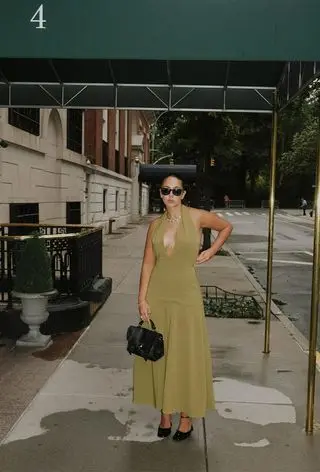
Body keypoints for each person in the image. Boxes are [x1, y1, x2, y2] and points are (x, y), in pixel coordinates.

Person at [133, 173, 233, 441]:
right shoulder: (154, 226)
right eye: (166, 191)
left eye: (176, 191)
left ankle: (186, 417)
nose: (171, 196)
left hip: (186, 295)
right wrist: (142, 298)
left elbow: (226, 227)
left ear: (184, 194)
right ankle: (165, 414)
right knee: (160, 353)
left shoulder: (197, 217)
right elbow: (147, 264)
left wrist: (211, 251)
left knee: (185, 355)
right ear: (160, 194)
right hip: (158, 295)